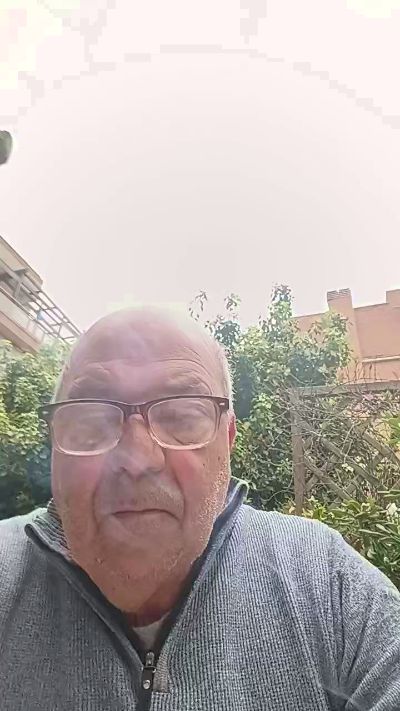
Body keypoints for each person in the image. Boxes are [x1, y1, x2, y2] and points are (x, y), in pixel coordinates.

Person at [0, 306, 400, 711]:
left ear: (228, 441)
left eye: (180, 416)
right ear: (54, 441)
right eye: (92, 417)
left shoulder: (326, 584)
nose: (137, 459)